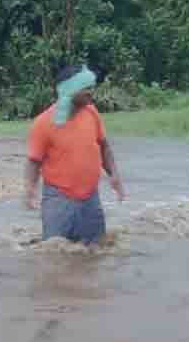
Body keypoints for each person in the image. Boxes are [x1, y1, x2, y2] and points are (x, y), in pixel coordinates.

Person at [25, 65, 125, 242]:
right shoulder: (43, 123)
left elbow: (104, 147)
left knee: (96, 252)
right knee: (55, 253)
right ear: (70, 90)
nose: (91, 93)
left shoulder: (92, 113)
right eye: (86, 88)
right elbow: (34, 161)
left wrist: (114, 175)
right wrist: (30, 190)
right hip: (58, 200)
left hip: (90, 198)